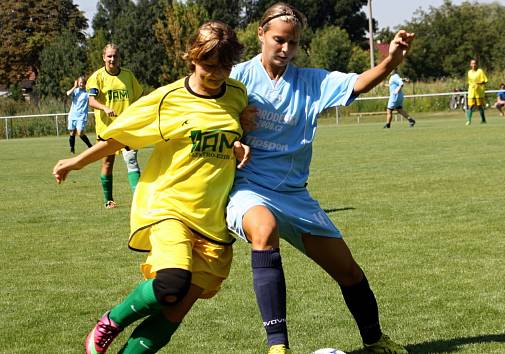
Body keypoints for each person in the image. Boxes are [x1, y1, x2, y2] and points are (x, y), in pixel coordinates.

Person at [227, 3, 414, 354]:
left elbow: (357, 83)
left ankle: (375, 340)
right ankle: (278, 346)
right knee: (263, 230)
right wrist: (235, 135)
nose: (285, 49)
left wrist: (390, 63)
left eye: (293, 43)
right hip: (248, 188)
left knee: (348, 272)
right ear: (261, 34)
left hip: (295, 195)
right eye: (279, 40)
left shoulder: (311, 82)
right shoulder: (235, 78)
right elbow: (208, 114)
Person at [53, 21, 250, 354]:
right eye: (209, 65)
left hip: (213, 219)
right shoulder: (168, 99)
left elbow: (233, 132)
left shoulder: (237, 95)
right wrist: (76, 162)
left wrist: (238, 144)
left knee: (175, 308)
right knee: (171, 282)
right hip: (169, 207)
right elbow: (120, 136)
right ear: (193, 57)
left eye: (225, 66)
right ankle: (112, 320)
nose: (217, 73)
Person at [87, 43, 143, 209]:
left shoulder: (128, 76)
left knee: (131, 159)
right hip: (107, 128)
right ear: (104, 57)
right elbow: (91, 100)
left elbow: (139, 98)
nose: (112, 59)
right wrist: (104, 107)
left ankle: (138, 200)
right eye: (109, 56)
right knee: (107, 163)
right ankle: (108, 200)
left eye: (115, 56)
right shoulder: (97, 77)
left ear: (119, 57)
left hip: (126, 126)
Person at [66, 75, 93, 153]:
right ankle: (72, 149)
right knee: (72, 133)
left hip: (81, 116)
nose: (81, 84)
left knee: (80, 132)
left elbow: (92, 99)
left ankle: (90, 146)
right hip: (72, 115)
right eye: (80, 82)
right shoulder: (75, 91)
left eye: (83, 83)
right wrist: (74, 86)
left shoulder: (87, 93)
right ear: (77, 83)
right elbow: (68, 93)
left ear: (85, 83)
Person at [465, 59, 487, 125]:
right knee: (470, 106)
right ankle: (469, 120)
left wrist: (478, 83)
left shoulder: (480, 71)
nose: (474, 65)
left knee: (479, 106)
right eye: (472, 63)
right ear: (470, 64)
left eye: (475, 63)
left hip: (479, 91)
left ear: (477, 64)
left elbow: (485, 81)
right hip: (471, 91)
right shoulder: (469, 72)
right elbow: (469, 82)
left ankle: (483, 120)